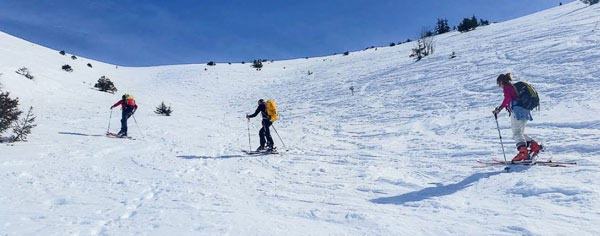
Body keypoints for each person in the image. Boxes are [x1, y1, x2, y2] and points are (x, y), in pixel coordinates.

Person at [492, 73, 540, 162]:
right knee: (521, 133)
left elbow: (507, 99)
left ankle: (523, 153)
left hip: (517, 113)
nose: (499, 86)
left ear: (501, 82)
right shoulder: (514, 87)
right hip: (526, 112)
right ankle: (534, 146)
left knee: (517, 133)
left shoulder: (507, 87)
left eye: (499, 84)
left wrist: (499, 109)